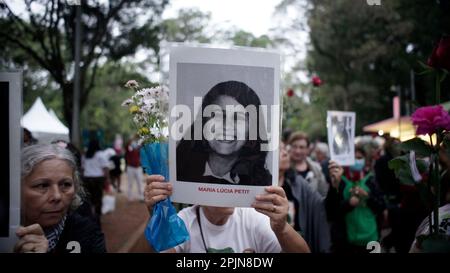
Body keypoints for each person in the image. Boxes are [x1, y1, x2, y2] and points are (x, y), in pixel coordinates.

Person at [141, 175, 311, 253]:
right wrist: (159, 220)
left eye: (233, 182)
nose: (228, 189)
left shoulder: (254, 219)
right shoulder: (184, 221)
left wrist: (281, 228)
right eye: (217, 182)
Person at [176, 80, 272, 186]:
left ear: (252, 128)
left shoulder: (264, 185)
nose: (227, 126)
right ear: (203, 121)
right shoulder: (175, 170)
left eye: (238, 118)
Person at [15, 144, 105, 253]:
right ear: (15, 189)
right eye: (43, 185)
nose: (57, 196)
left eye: (65, 185)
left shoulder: (88, 234)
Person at [327, 147, 386, 253]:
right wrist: (348, 204)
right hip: (346, 242)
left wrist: (367, 197)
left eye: (359, 157)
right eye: (353, 158)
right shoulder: (339, 180)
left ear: (365, 159)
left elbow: (381, 206)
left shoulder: (371, 179)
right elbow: (331, 212)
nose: (356, 161)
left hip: (371, 238)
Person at [279, 142, 331, 252]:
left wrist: (335, 187)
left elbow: (322, 205)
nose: (285, 153)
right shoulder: (258, 186)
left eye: (285, 150)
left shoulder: (298, 183)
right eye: (279, 150)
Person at [287, 132, 329, 197]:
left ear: (307, 149)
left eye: (301, 147)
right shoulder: (283, 167)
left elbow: (323, 193)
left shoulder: (316, 168)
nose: (298, 151)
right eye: (294, 146)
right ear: (290, 147)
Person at [82, 139, 110, 222]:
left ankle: (89, 215)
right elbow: (105, 168)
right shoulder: (101, 154)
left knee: (88, 198)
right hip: (97, 179)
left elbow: (83, 169)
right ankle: (97, 217)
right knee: (98, 198)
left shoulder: (85, 155)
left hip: (87, 179)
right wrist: (107, 179)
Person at [125, 135, 144, 201]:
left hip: (138, 167)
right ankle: (130, 197)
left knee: (140, 182)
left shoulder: (138, 147)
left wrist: (139, 138)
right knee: (130, 183)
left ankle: (141, 196)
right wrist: (132, 138)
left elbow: (142, 144)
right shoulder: (129, 146)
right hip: (130, 167)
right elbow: (127, 144)